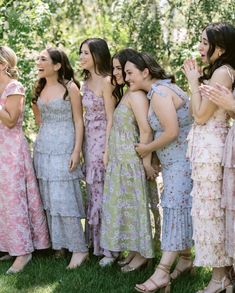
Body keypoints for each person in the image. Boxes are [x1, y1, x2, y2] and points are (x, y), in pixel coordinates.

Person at [124, 52, 193, 292]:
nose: (126, 77)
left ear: (146, 72)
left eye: (130, 72)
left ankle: (162, 273)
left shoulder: (160, 94)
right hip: (178, 163)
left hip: (181, 166)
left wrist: (146, 150)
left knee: (174, 213)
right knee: (178, 212)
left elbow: (171, 131)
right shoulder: (165, 89)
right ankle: (185, 259)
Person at [183, 22, 235, 292]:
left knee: (212, 213)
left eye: (205, 42)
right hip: (206, 146)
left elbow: (201, 116)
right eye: (201, 41)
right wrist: (196, 84)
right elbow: (197, 112)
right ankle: (224, 275)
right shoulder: (216, 73)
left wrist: (193, 83)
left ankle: (219, 278)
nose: (201, 47)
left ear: (221, 48)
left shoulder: (223, 74)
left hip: (212, 149)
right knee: (210, 212)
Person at [100, 48, 158, 270]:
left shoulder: (136, 96)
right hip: (119, 159)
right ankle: (134, 250)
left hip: (132, 160)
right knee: (126, 208)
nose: (115, 72)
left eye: (119, 68)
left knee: (136, 208)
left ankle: (144, 254)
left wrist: (145, 161)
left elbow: (145, 130)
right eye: (114, 68)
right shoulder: (127, 92)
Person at [33, 47, 88, 269]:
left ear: (56, 65)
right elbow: (39, 121)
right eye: (38, 58)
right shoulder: (39, 87)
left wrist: (76, 151)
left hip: (65, 145)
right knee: (49, 196)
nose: (38, 62)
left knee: (63, 196)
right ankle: (60, 244)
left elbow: (78, 121)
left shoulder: (70, 88)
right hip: (44, 145)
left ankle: (79, 248)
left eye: (43, 59)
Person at [0, 46, 50, 273]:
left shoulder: (14, 87)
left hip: (11, 151)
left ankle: (23, 252)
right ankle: (8, 246)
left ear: (2, 65)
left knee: (14, 199)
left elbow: (10, 120)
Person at [79, 38, 115, 261]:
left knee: (103, 192)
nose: (81, 57)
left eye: (85, 53)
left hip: (102, 138)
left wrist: (107, 149)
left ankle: (110, 249)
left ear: (97, 55)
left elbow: (111, 117)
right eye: (80, 53)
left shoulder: (106, 81)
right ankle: (96, 244)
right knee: (93, 192)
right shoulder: (85, 82)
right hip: (89, 139)